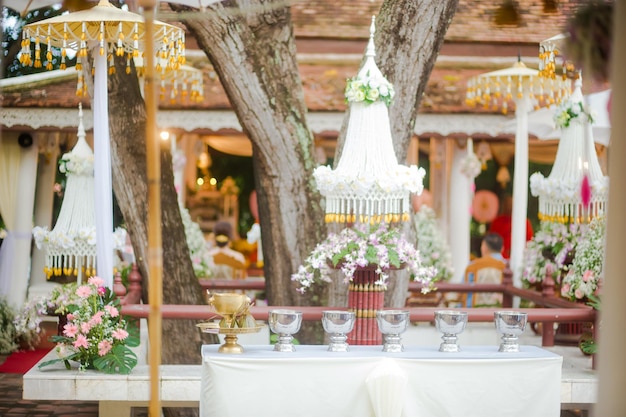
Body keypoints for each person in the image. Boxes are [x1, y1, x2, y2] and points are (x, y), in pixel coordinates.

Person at [463, 233, 507, 307]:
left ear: (484, 247)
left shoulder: (472, 266)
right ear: (502, 248)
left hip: (472, 314)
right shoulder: (507, 267)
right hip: (499, 313)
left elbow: (462, 291)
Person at [488, 195, 533, 259]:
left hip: (520, 256)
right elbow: (492, 241)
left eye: (511, 204)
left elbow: (529, 241)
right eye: (506, 204)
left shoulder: (524, 221)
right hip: (500, 257)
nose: (509, 206)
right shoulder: (496, 222)